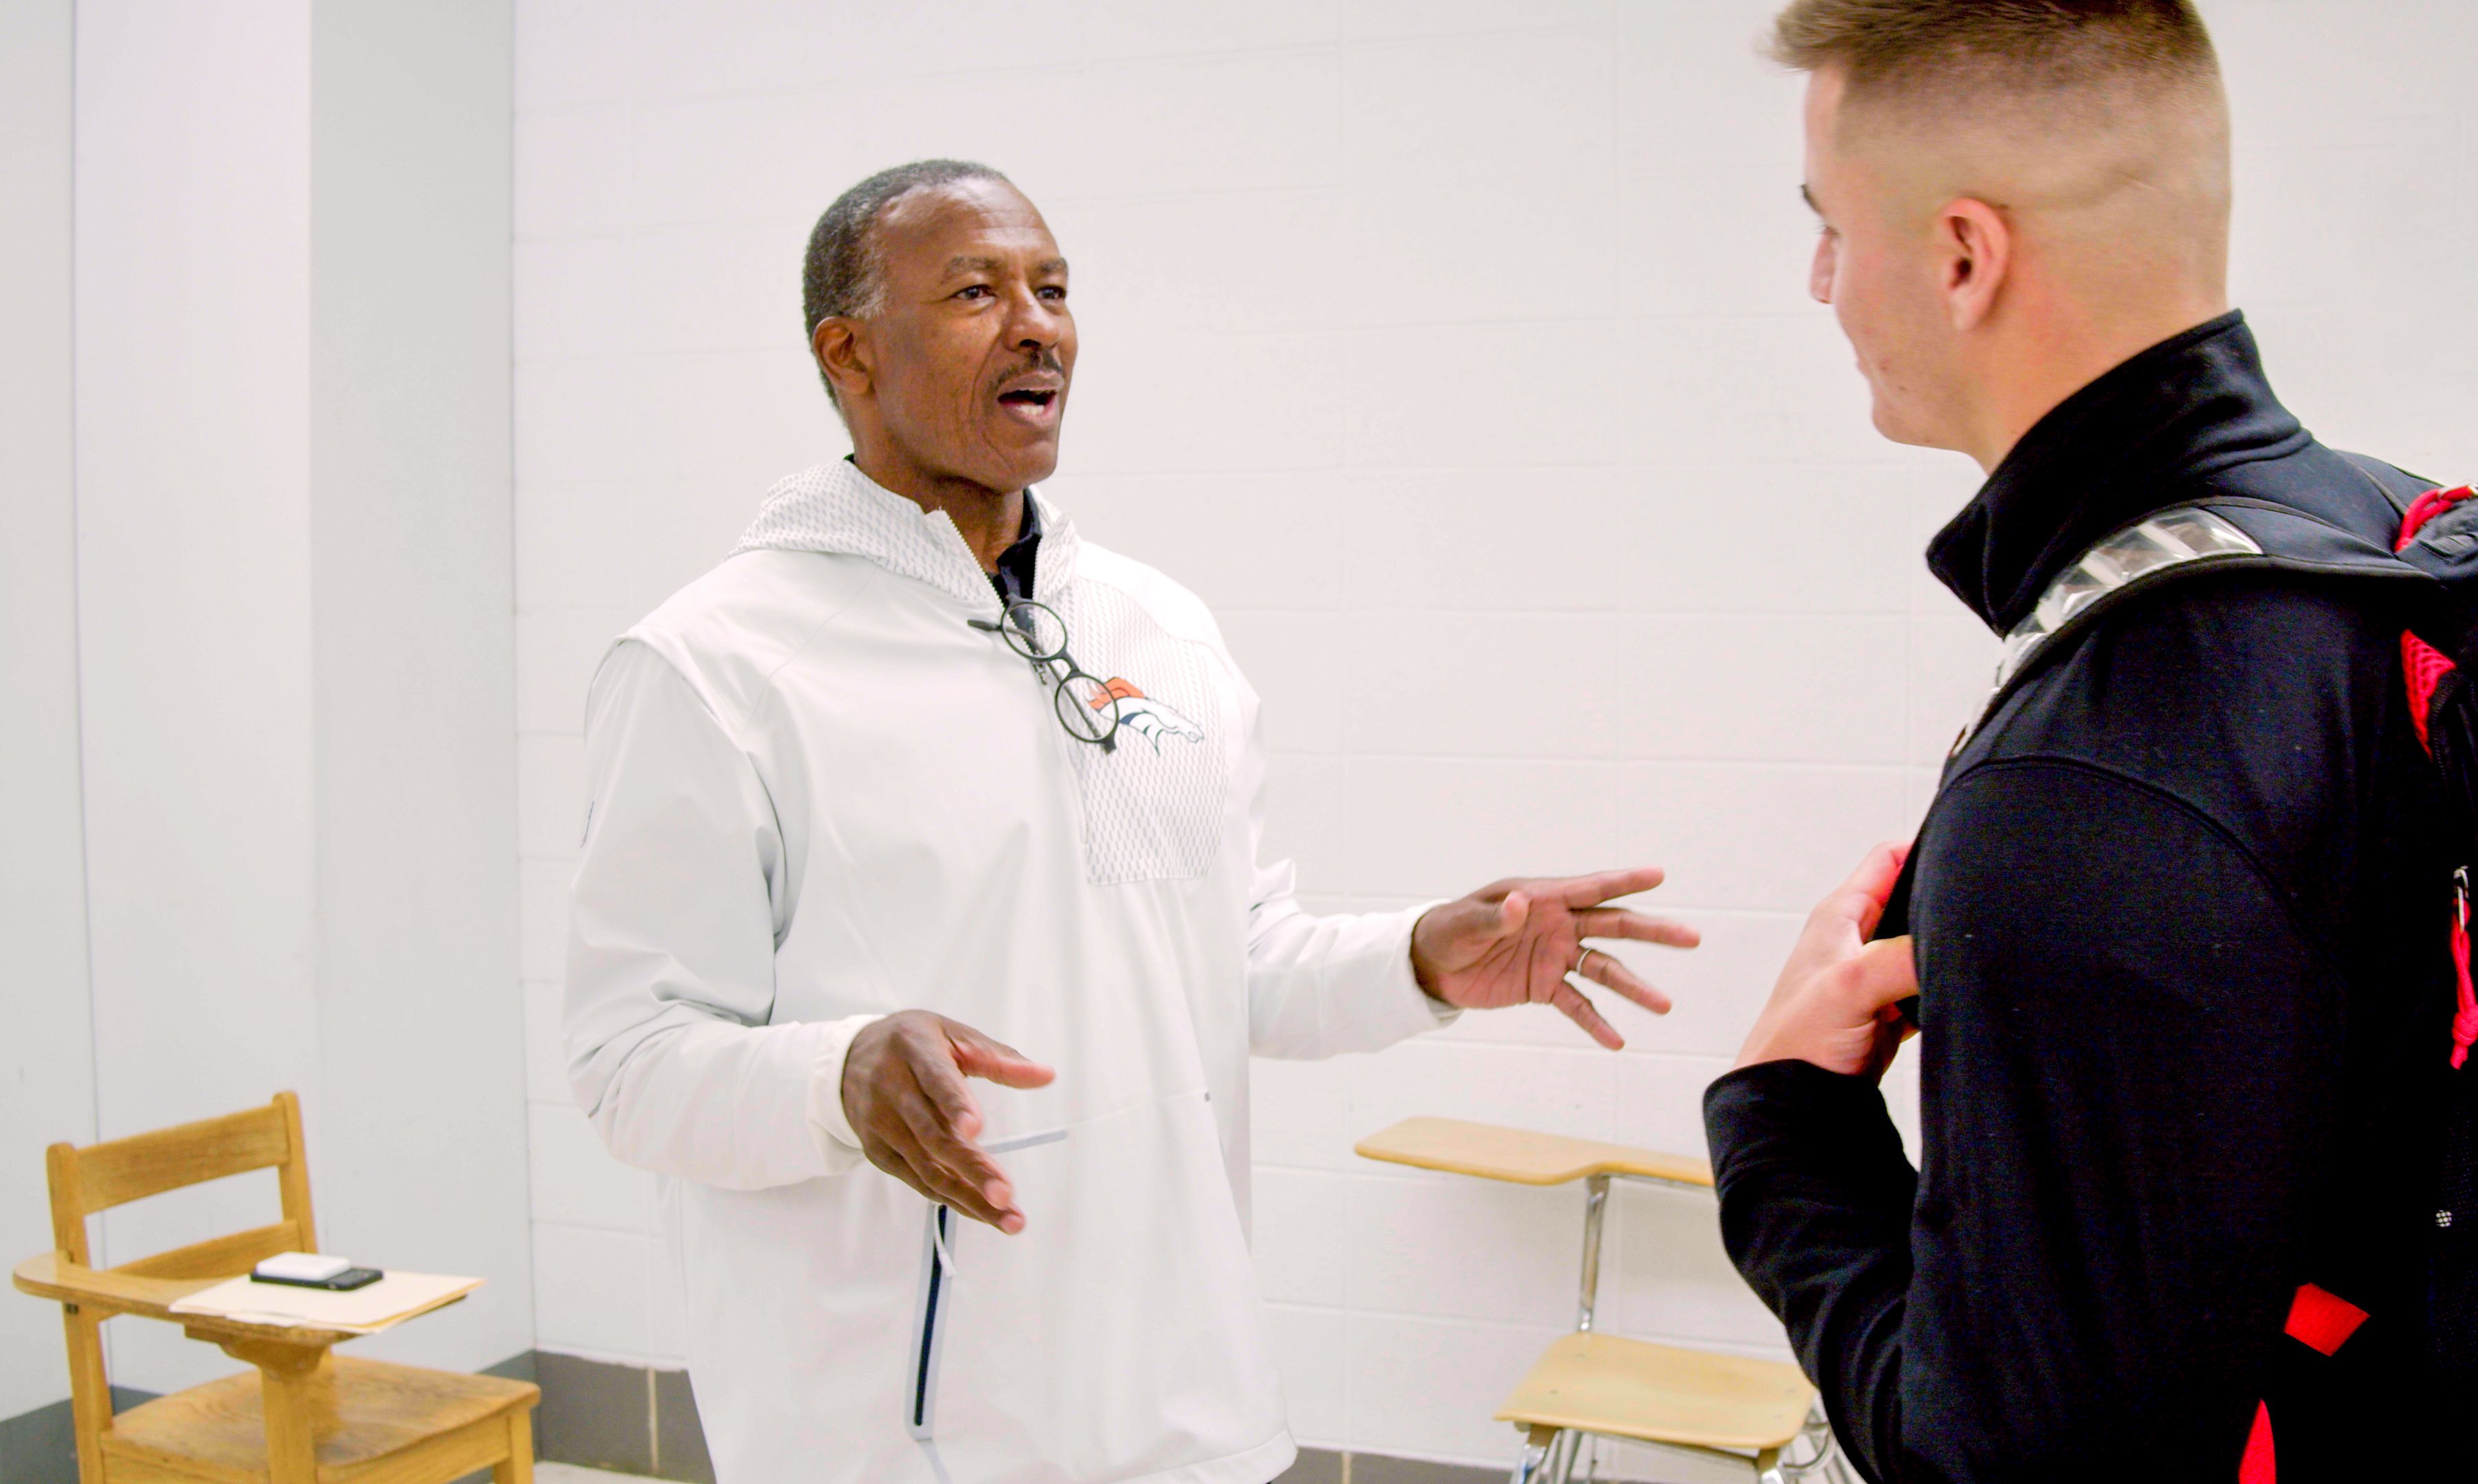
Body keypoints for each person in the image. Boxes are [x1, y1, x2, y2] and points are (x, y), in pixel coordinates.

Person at [564, 159, 1698, 1484]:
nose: (1038, 323)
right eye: (977, 292)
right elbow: (628, 1066)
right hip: (898, 1437)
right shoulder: (717, 666)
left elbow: (1232, 968)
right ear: (850, 352)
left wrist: (1417, 960)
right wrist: (833, 1074)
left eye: (1051, 287)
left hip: (1187, 1406)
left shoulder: (1160, 632)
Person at [1705, 3, 2459, 1480]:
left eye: (1832, 231)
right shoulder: (2396, 540)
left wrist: (1785, 1137)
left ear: (1962, 256)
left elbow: (2004, 1464)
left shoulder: (2096, 774)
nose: (1819, 285)